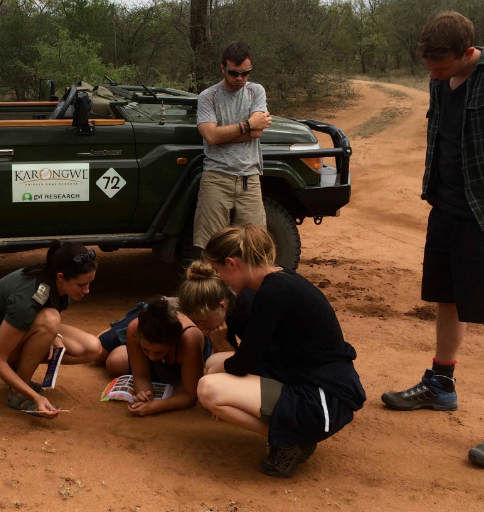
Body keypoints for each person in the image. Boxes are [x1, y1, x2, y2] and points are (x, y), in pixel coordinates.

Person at [380, 12, 484, 470]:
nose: (433, 76)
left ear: (467, 52)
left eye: (441, 67)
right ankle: (441, 384)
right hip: (447, 208)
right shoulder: (440, 80)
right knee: (446, 298)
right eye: (429, 68)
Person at [196, 225, 365, 478]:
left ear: (232, 263)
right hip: (309, 380)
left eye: (219, 270)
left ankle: (292, 440)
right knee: (213, 366)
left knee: (208, 389)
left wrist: (222, 366)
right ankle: (291, 434)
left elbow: (243, 363)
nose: (220, 279)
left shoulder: (271, 293)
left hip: (320, 398)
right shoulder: (279, 279)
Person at [0, 241, 103, 418]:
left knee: (92, 348)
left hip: (17, 328)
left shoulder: (60, 285)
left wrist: (53, 335)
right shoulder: (29, 296)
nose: (87, 290)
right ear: (61, 276)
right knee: (50, 320)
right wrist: (35, 397)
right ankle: (18, 392)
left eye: (89, 283)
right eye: (81, 285)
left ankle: (20, 373)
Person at [193, 41, 273, 257]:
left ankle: (247, 291)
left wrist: (224, 134)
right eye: (234, 73)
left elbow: (258, 132)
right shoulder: (208, 96)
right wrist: (247, 125)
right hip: (216, 178)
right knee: (211, 247)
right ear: (223, 69)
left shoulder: (256, 91)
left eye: (245, 73)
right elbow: (210, 136)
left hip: (250, 178)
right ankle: (214, 291)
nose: (240, 78)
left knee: (255, 247)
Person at [95, 297, 208, 417]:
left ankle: (125, 339)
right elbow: (141, 376)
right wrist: (144, 396)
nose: (152, 358)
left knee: (116, 361)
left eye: (158, 352)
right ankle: (120, 330)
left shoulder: (190, 340)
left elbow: (191, 396)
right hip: (148, 318)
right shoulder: (135, 329)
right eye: (146, 349)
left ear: (173, 342)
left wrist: (155, 406)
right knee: (100, 354)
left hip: (178, 332)